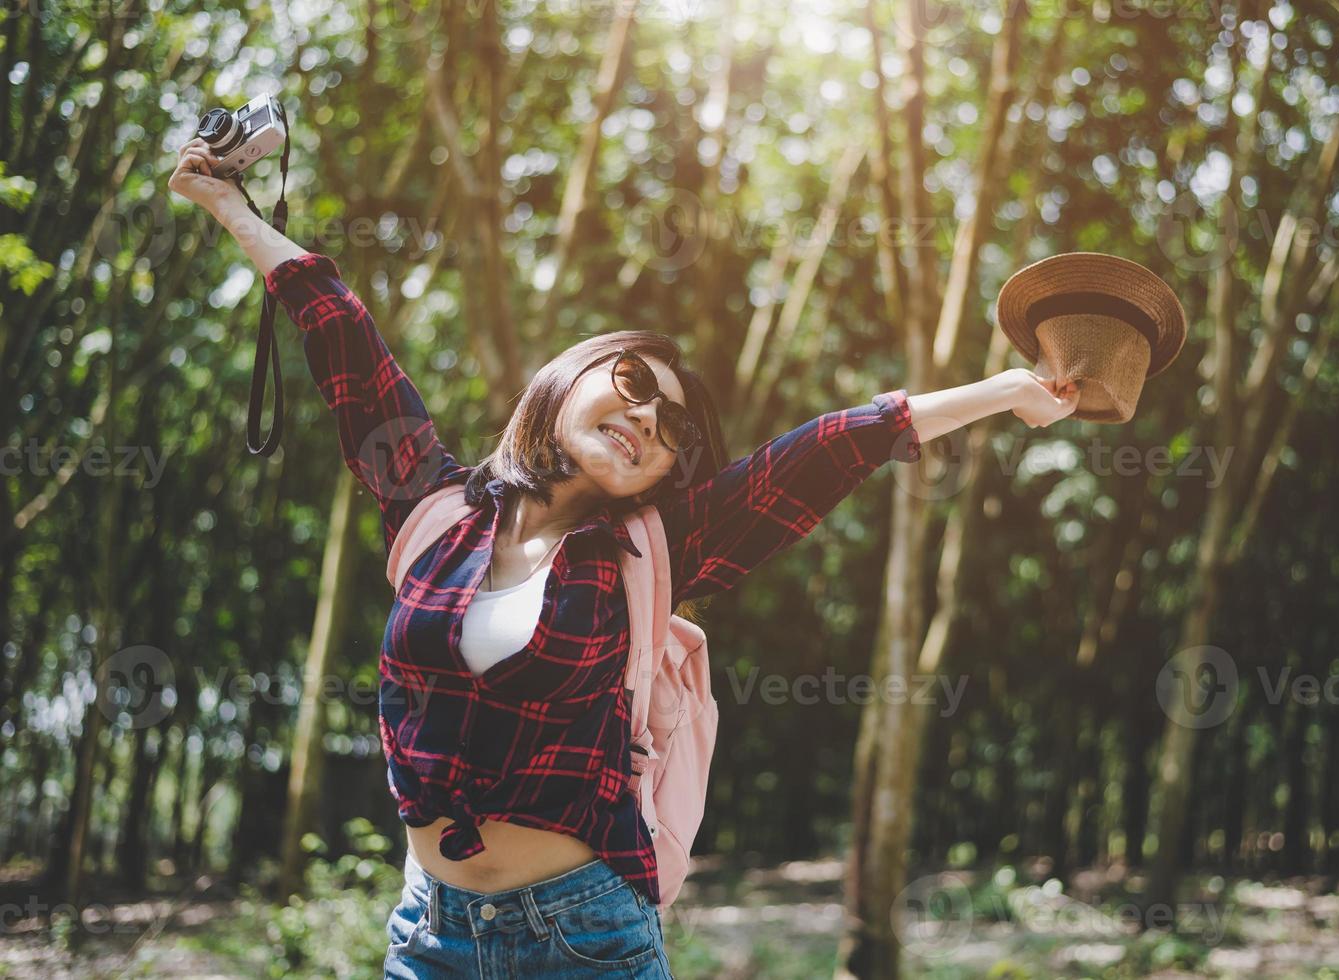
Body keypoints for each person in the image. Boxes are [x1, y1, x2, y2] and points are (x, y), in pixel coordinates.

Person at [169, 136, 1079, 978]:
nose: (648, 417)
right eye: (635, 386)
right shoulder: (432, 506)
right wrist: (230, 207)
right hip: (429, 932)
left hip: (584, 933)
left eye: (672, 425)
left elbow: (826, 449)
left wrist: (1003, 392)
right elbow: (346, 344)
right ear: (572, 379)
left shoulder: (654, 553)